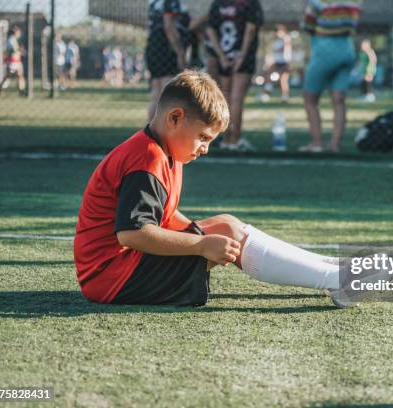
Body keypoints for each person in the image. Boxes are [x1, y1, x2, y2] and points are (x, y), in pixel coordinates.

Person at [74, 70, 347, 308]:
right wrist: (201, 243)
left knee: (226, 225)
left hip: (119, 269)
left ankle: (329, 268)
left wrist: (200, 233)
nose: (205, 149)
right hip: (113, 278)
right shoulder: (146, 159)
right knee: (225, 231)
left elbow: (163, 215)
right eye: (203, 138)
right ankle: (336, 279)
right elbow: (132, 234)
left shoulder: (161, 150)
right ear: (175, 118)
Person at [300, 0, 363, 153]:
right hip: (347, 50)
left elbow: (307, 26)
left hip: (325, 51)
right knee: (339, 100)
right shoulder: (354, 2)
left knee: (310, 99)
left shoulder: (319, 2)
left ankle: (317, 143)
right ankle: (335, 145)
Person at [207, 0, 264, 151]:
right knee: (237, 98)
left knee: (226, 98)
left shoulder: (219, 3)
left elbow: (211, 30)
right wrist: (242, 56)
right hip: (242, 55)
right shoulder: (249, 3)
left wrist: (221, 56)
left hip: (225, 53)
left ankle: (226, 138)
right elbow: (251, 29)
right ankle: (235, 139)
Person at [146, 0, 190, 120]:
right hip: (165, 48)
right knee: (167, 92)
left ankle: (152, 132)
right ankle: (163, 130)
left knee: (156, 92)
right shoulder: (170, 2)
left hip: (152, 46)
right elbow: (168, 26)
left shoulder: (154, 2)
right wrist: (180, 52)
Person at [263, 25, 292, 102]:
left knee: (283, 80)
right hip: (276, 61)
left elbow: (286, 49)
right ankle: (267, 92)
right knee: (268, 75)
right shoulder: (275, 40)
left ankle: (284, 96)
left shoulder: (286, 38)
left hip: (284, 61)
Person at [0, 26, 25, 96]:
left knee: (20, 75)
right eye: (18, 32)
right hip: (12, 61)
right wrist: (20, 50)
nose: (19, 33)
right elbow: (11, 50)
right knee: (8, 76)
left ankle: (21, 91)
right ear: (15, 32)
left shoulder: (15, 40)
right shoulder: (11, 40)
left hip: (17, 61)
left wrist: (20, 51)